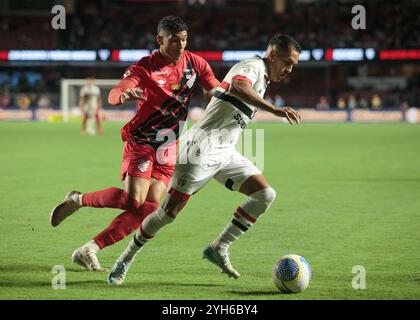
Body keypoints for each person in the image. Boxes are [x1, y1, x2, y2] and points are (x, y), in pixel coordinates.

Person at [107, 34, 301, 285]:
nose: (288, 69)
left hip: (225, 152)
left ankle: (219, 248)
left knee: (265, 194)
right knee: (168, 213)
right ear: (272, 55)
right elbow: (239, 85)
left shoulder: (264, 78)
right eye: (286, 62)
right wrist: (275, 110)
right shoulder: (253, 66)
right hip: (199, 151)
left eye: (293, 65)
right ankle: (124, 259)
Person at [49, 16, 219, 271]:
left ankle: (89, 249)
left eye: (184, 39)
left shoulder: (195, 63)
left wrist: (221, 95)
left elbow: (214, 87)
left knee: (149, 207)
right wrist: (124, 95)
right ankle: (77, 199)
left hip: (169, 146)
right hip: (142, 141)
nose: (181, 45)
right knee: (133, 200)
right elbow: (116, 92)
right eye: (175, 41)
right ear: (160, 40)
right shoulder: (145, 67)